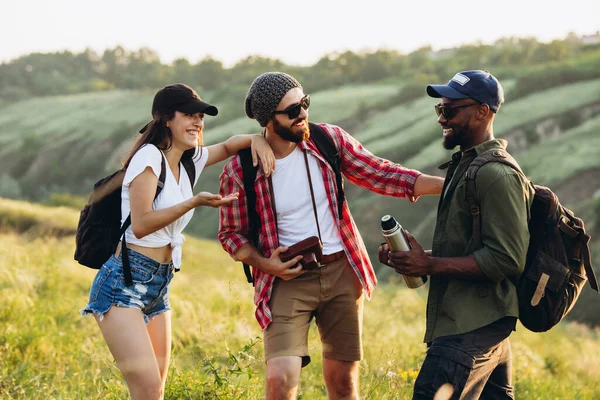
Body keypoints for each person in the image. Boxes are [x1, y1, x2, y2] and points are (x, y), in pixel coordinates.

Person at [217, 72, 445, 400]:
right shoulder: (241, 169)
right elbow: (230, 234)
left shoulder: (328, 141)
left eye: (305, 104)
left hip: (342, 272)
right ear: (269, 119)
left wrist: (449, 185)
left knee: (344, 383)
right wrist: (266, 264)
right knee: (280, 380)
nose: (303, 114)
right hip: (285, 279)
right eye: (293, 110)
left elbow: (382, 173)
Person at [80, 83, 275, 400]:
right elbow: (141, 224)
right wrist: (193, 202)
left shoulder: (188, 160)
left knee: (155, 392)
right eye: (189, 115)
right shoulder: (149, 157)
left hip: (159, 284)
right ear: (166, 119)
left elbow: (227, 146)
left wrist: (256, 140)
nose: (198, 123)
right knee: (146, 390)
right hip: (123, 283)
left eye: (200, 116)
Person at [380, 70, 535, 400]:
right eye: (440, 109)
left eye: (450, 110)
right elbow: (470, 246)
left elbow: (507, 259)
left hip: (472, 329)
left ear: (482, 111)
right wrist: (414, 259)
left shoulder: (496, 175)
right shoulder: (465, 167)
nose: (441, 119)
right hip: (477, 324)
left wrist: (430, 266)